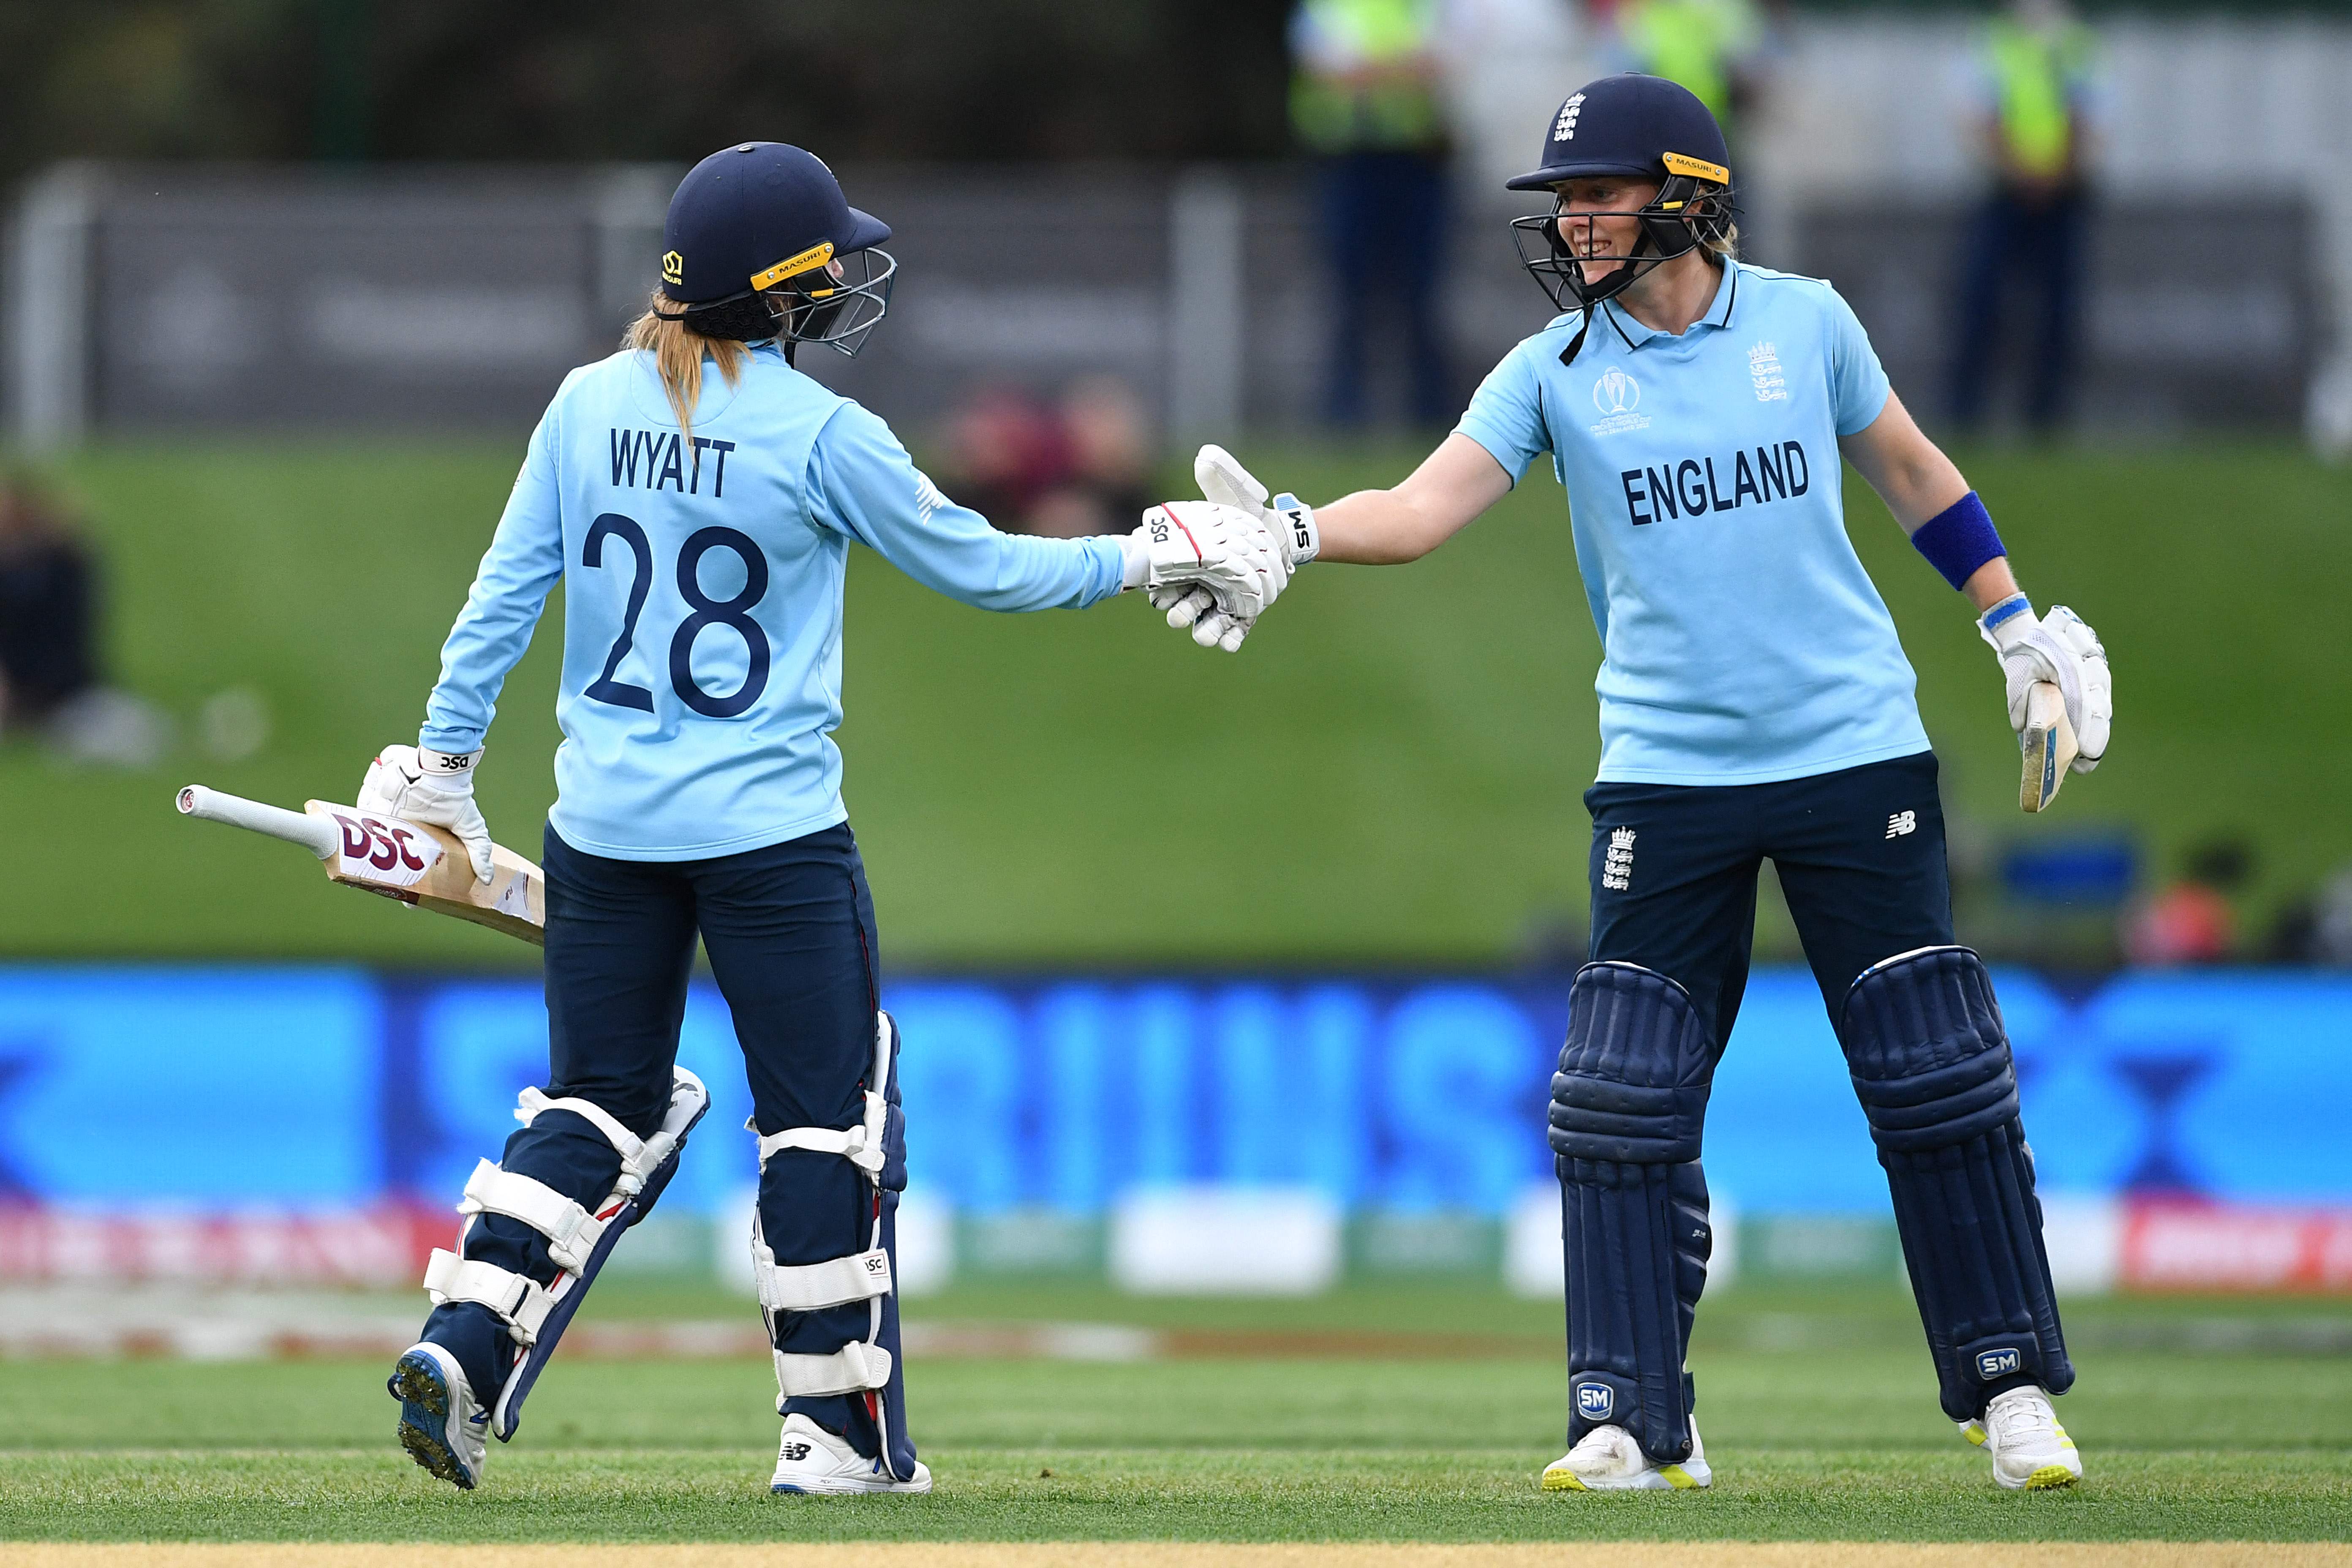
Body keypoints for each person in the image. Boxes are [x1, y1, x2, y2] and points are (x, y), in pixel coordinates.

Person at [1160, 74, 2115, 1492]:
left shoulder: (1805, 322)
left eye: (1599, 196)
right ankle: (1626, 1419)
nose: (1575, 225)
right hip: (1665, 774)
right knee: (1620, 1094)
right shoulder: (1552, 368)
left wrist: (2009, 620)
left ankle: (2011, 1394)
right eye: (1563, 202)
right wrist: (1292, 532)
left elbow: (1913, 473)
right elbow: (1420, 510)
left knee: (1929, 1069)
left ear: (1685, 193)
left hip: (1853, 749)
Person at [367, 142, 1285, 1497]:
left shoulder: (582, 404)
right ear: (779, 293)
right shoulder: (816, 433)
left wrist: (439, 770)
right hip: (767, 838)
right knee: (821, 1119)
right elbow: (989, 573)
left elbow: (500, 602)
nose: (845, 284)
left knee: (596, 1101)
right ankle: (835, 1436)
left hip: (603, 829)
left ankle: (465, 1339)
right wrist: (1160, 548)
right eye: (825, 269)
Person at [1290, 0, 1456, 427]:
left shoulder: (1421, 9)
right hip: (1351, 166)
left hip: (1416, 164)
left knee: (1423, 296)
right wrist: (1403, 72)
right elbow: (1330, 73)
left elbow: (1441, 66)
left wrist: (1369, 73)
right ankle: (1345, 418)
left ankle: (1430, 417)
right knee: (1348, 296)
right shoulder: (1329, 10)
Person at [1947, 0, 2100, 435]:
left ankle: (2047, 416)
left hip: (2061, 196)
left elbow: (2089, 120)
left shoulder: (2077, 45)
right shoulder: (1995, 42)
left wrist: (2051, 176)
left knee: (2059, 311)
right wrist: (2025, 174)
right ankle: (1967, 412)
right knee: (1982, 304)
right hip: (2006, 194)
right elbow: (1980, 118)